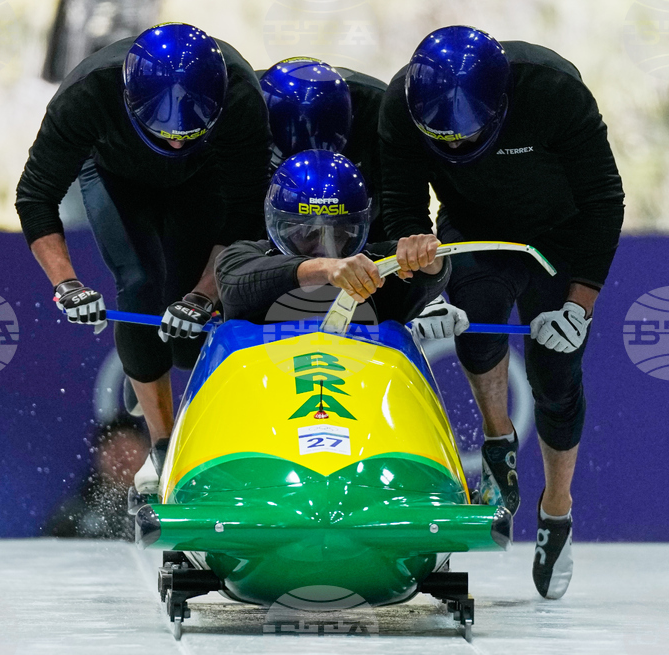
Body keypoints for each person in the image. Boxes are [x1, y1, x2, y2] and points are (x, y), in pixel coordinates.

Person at [380, 26, 625, 599]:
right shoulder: (400, 104)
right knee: (472, 318)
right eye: (445, 140)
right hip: (476, 228)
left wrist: (579, 306)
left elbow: (604, 199)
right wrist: (426, 280)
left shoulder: (553, 90)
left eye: (468, 137)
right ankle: (498, 441)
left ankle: (556, 510)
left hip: (559, 234)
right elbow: (404, 208)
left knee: (554, 371)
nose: (458, 149)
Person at [14, 23, 272, 495]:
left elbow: (245, 213)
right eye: (164, 130)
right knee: (141, 286)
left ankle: (187, 405)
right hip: (116, 176)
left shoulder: (239, 98)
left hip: (203, 179)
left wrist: (202, 295)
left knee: (190, 329)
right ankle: (164, 447)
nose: (175, 142)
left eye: (188, 131)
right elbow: (35, 197)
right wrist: (66, 283)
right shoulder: (88, 93)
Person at [258, 57, 467, 337]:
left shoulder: (379, 113)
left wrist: (425, 292)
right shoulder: (246, 117)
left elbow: (401, 202)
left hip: (360, 219)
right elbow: (237, 210)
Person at [215, 149, 452, 334]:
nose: (323, 247)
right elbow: (234, 282)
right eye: (305, 233)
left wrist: (426, 256)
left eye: (339, 233)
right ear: (278, 225)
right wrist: (326, 270)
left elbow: (428, 275)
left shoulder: (375, 267)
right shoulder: (241, 258)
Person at [44, 415, 148, 540]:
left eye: (129, 447)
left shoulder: (160, 504)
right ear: (99, 457)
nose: (122, 456)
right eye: (113, 447)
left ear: (146, 452)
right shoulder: (76, 510)